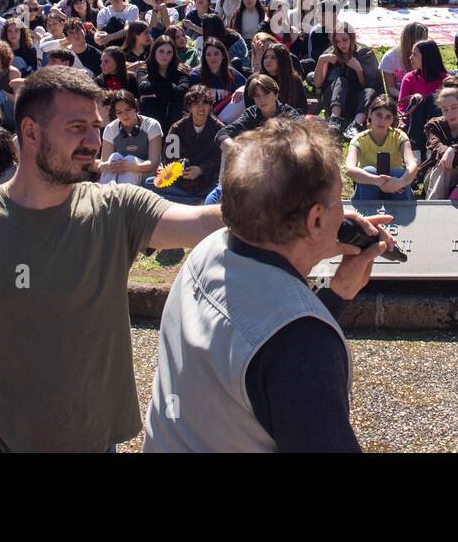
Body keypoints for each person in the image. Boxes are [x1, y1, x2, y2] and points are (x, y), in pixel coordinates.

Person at [0, 66, 228, 452]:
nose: (92, 141)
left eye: (95, 127)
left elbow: (203, 222)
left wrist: (282, 192)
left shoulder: (115, 209)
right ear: (31, 132)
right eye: (76, 127)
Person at [143, 118, 394, 452]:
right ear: (316, 219)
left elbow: (258, 347)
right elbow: (282, 345)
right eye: (339, 202)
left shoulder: (208, 249)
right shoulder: (303, 343)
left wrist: (336, 293)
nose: (345, 214)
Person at [149, 85, 223, 205]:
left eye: (205, 103)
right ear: (189, 107)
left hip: (208, 181)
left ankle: (187, 202)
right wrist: (181, 168)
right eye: (195, 104)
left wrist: (201, 169)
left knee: (221, 189)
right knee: (150, 183)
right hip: (181, 181)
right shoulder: (177, 128)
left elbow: (221, 159)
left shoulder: (220, 129)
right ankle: (196, 202)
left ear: (210, 106)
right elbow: (168, 158)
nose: (201, 108)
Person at [345, 95, 418, 201]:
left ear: (393, 119)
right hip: (369, 189)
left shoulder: (399, 136)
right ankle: (368, 214)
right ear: (370, 114)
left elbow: (412, 164)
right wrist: (378, 181)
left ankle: (401, 214)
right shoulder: (359, 139)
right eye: (379, 115)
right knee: (369, 170)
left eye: (388, 117)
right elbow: (349, 169)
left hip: (395, 188)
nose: (382, 120)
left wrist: (400, 182)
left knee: (397, 173)